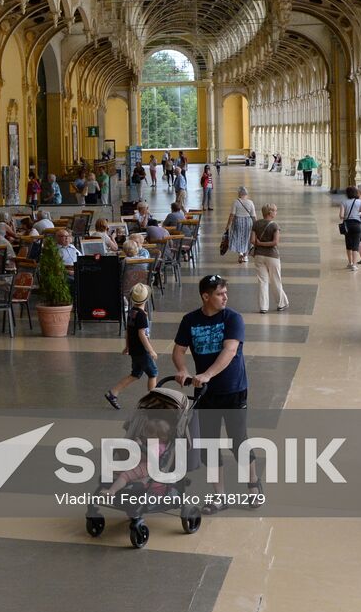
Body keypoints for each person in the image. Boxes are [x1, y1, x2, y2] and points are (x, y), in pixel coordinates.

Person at [173, 275, 258, 498]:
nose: (225, 297)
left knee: (238, 440)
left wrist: (208, 374)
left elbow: (230, 350)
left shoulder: (233, 319)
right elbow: (178, 351)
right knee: (209, 445)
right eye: (220, 294)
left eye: (225, 292)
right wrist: (182, 370)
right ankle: (218, 495)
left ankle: (253, 484)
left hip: (233, 390)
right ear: (205, 296)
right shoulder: (190, 320)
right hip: (205, 393)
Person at [106, 283, 159, 407]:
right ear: (147, 299)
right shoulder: (141, 315)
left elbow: (128, 331)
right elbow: (142, 335)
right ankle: (153, 400)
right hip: (142, 352)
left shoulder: (132, 312)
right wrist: (151, 350)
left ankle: (113, 393)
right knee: (153, 373)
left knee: (135, 374)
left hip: (135, 351)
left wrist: (127, 346)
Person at [249, 203, 289, 313]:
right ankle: (281, 304)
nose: (276, 213)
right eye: (275, 211)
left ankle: (263, 307)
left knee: (262, 281)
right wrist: (263, 243)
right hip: (272, 256)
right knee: (276, 280)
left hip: (259, 256)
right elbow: (275, 242)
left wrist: (259, 244)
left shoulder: (256, 224)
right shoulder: (275, 225)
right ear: (270, 213)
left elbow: (252, 240)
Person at [226, 187, 257, 263]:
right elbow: (253, 216)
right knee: (247, 238)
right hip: (248, 222)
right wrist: (256, 225)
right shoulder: (250, 202)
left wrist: (228, 225)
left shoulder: (236, 202)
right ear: (246, 194)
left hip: (238, 221)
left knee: (238, 237)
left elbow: (232, 214)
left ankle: (240, 253)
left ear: (239, 194)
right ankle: (245, 256)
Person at [338, 186, 361, 271]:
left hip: (347, 225)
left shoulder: (343, 202)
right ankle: (354, 265)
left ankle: (350, 263)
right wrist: (357, 214)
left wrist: (347, 215)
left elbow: (341, 216)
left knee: (348, 245)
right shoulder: (359, 202)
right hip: (357, 225)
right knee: (355, 245)